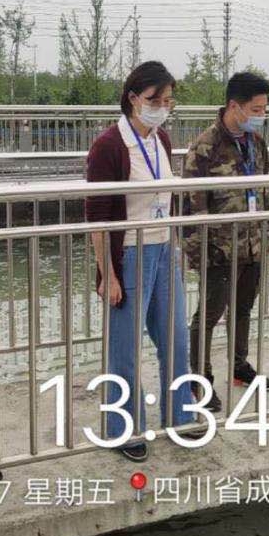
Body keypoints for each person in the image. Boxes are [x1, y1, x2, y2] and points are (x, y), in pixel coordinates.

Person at [85, 61, 197, 462]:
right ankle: (124, 428)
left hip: (163, 248)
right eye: (154, 100)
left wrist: (175, 250)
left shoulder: (160, 139)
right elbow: (97, 218)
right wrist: (108, 273)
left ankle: (180, 415)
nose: (161, 108)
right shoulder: (109, 146)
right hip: (129, 252)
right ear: (133, 98)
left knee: (176, 339)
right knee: (125, 349)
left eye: (168, 101)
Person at [182, 72, 269, 411]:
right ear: (234, 106)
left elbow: (264, 190)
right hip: (220, 251)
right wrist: (200, 255)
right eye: (256, 109)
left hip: (253, 244)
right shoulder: (205, 147)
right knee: (209, 315)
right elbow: (192, 208)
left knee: (243, 308)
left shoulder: (256, 143)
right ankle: (200, 379)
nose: (261, 115)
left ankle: (239, 366)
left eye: (265, 109)